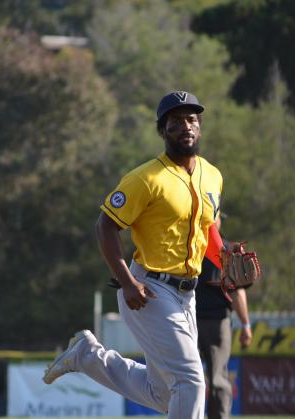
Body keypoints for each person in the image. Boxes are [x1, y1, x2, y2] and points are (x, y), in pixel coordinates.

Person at [42, 91, 222, 419]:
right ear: (162, 130)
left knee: (165, 395)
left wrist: (225, 264)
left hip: (188, 296)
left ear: (200, 126)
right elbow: (105, 227)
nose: (186, 126)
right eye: (176, 121)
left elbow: (205, 231)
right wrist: (126, 282)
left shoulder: (212, 175)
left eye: (192, 119)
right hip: (149, 288)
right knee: (191, 381)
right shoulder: (146, 178)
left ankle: (88, 357)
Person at [196, 217, 252, 419]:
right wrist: (245, 324)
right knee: (218, 378)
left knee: (186, 377)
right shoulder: (227, 251)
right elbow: (237, 293)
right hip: (216, 323)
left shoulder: (187, 246)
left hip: (189, 320)